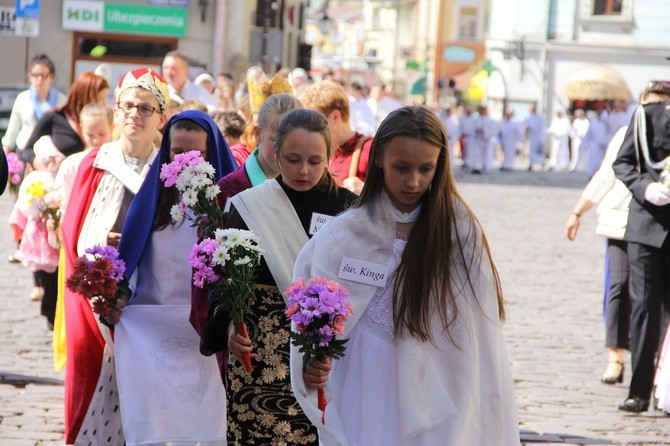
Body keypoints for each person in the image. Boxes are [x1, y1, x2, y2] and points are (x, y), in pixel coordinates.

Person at [290, 106, 519, 444]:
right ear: (379, 157)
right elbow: (312, 308)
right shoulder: (345, 233)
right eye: (402, 168)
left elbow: (480, 334)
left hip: (439, 377)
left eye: (425, 169)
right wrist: (312, 361)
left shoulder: (459, 232)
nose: (413, 182)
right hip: (362, 377)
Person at [198, 108, 356, 445]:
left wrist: (328, 349)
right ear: (275, 153)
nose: (303, 170)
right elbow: (225, 282)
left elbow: (360, 287)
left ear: (329, 155)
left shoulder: (349, 209)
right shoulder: (247, 206)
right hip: (258, 352)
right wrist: (229, 330)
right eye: (292, 158)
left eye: (315, 160)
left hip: (324, 355)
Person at [105, 110, 236, 445]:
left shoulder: (226, 203)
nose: (188, 160)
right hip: (153, 323)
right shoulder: (153, 200)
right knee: (157, 421)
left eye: (198, 153)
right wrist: (119, 295)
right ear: (166, 153)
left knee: (204, 421)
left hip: (202, 329)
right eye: (178, 152)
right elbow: (132, 260)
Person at [59, 67, 169, 444]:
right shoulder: (92, 164)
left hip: (145, 301)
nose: (135, 115)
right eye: (128, 106)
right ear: (116, 112)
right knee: (93, 389)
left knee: (139, 401)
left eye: (146, 108)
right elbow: (71, 229)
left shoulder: (168, 173)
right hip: (93, 298)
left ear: (161, 117)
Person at [612, 80, 670, 413]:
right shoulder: (645, 117)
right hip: (647, 227)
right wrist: (645, 187)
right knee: (645, 310)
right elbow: (623, 164)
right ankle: (640, 391)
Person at [565, 126, 632, 385]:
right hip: (622, 219)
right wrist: (578, 211)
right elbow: (607, 174)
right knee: (619, 287)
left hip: (660, 223)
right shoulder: (627, 132)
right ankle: (615, 356)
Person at [51, 103, 115, 372]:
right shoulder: (72, 164)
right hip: (76, 242)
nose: (96, 140)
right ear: (80, 131)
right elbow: (61, 200)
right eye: (90, 135)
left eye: (101, 134)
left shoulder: (114, 161)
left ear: (112, 129)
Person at [8, 142, 63, 328]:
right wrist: (40, 210)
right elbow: (25, 204)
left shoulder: (62, 175)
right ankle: (48, 309)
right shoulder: (35, 178)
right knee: (45, 270)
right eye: (49, 157)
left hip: (57, 230)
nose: (53, 161)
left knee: (57, 274)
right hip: (39, 234)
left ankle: (54, 310)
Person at [20, 71, 109, 167]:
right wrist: (42, 164)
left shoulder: (106, 121)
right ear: (85, 97)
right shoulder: (54, 117)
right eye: (100, 98)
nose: (104, 104)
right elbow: (27, 151)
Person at [299, 80, 373, 195]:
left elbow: (395, 203)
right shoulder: (313, 152)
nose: (308, 129)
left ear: (334, 117)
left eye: (314, 122)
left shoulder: (369, 149)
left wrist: (366, 193)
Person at [2, 53, 66, 157]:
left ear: (51, 77)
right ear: (29, 76)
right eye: (35, 75)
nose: (39, 80)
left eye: (44, 76)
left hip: (51, 154)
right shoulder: (22, 98)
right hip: (24, 151)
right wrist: (5, 155)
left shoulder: (62, 101)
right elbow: (12, 131)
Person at [525, 103, 546, 171]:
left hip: (538, 136)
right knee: (531, 151)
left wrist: (542, 137)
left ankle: (542, 163)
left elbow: (542, 127)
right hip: (532, 136)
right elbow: (527, 127)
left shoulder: (540, 117)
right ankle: (531, 164)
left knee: (539, 151)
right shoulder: (528, 117)